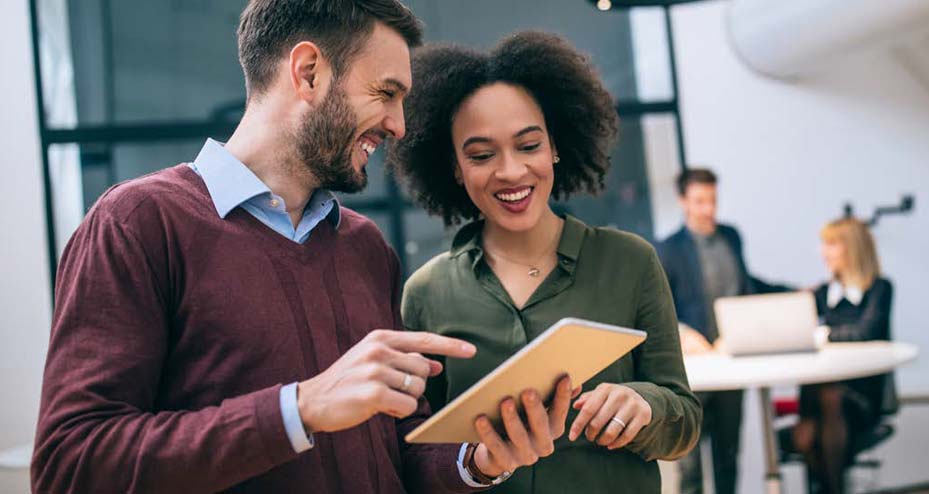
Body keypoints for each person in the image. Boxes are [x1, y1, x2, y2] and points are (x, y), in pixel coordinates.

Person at [31, 2, 573, 493]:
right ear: (308, 72)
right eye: (386, 93)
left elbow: (399, 445)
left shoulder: (364, 246)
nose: (399, 126)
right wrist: (299, 409)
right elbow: (70, 465)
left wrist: (474, 461)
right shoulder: (139, 223)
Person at [386, 32, 701, 493]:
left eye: (528, 145)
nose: (511, 171)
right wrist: (477, 462)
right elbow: (414, 453)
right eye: (481, 155)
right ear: (453, 166)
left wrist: (646, 404)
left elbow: (684, 420)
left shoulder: (629, 262)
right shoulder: (427, 292)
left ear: (555, 145)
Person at [656, 168, 789, 494]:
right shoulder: (668, 249)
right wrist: (683, 333)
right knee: (689, 462)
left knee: (729, 456)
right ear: (683, 201)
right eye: (700, 201)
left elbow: (747, 283)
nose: (708, 209)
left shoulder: (731, 236)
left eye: (712, 200)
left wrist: (794, 292)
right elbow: (660, 305)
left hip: (732, 360)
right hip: (694, 369)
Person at [792, 218, 894, 494]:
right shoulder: (822, 293)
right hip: (816, 400)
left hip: (859, 397)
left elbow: (865, 331)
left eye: (832, 244)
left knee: (827, 402)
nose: (824, 252)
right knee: (809, 429)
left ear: (853, 248)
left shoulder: (879, 289)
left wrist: (822, 335)